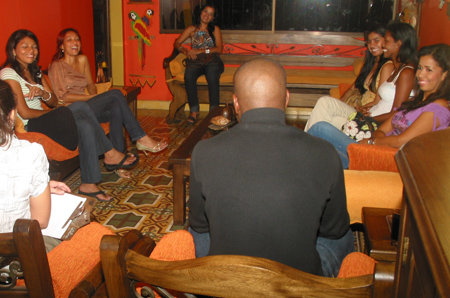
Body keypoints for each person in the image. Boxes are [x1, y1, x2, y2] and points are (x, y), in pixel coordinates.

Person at [188, 58, 354, 277]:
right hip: (299, 283)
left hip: (229, 279)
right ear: (286, 99)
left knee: (194, 231)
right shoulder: (325, 152)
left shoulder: (203, 151)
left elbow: (200, 225)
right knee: (347, 234)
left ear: (236, 103)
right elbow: (334, 230)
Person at [1, 29, 137, 202]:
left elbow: (53, 100)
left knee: (85, 125)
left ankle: (89, 183)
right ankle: (112, 151)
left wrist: (43, 94)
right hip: (32, 124)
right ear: (13, 50)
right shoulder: (8, 73)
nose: (31, 50)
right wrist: (55, 113)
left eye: (34, 47)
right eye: (25, 46)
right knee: (82, 106)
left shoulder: (36, 72)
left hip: (49, 119)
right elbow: (24, 112)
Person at [308, 43, 450, 168]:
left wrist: (372, 143)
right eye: (419, 68)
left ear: (444, 74)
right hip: (378, 150)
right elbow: (382, 129)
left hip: (392, 159)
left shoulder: (438, 107)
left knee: (321, 129)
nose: (420, 74)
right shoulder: (414, 102)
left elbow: (402, 141)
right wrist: (374, 141)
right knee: (324, 153)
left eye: (429, 70)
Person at [48, 28, 167, 155]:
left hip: (86, 106)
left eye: (77, 39)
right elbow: (63, 96)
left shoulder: (82, 60)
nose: (75, 42)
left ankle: (119, 159)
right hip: (71, 111)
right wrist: (93, 98)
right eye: (69, 40)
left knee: (115, 107)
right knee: (115, 94)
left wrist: (94, 97)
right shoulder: (56, 65)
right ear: (61, 45)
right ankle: (141, 137)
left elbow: (90, 84)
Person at [304, 22, 417, 132]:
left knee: (324, 118)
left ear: (399, 44)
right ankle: (307, 144)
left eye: (386, 41)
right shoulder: (397, 70)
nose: (383, 45)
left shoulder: (405, 72)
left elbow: (396, 114)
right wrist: (364, 110)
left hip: (373, 124)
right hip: (369, 116)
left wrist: (365, 119)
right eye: (369, 42)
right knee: (325, 107)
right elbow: (374, 97)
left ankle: (305, 144)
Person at [0, 79, 71, 252]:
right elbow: (40, 221)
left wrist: (37, 186)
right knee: (83, 230)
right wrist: (38, 189)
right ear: (12, 114)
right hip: (14, 255)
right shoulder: (30, 153)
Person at [173, 3, 224, 124]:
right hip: (196, 62)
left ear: (212, 18)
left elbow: (219, 49)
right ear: (200, 13)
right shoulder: (191, 29)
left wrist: (201, 50)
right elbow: (177, 43)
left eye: (210, 14)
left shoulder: (215, 29)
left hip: (212, 61)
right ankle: (194, 111)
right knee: (189, 75)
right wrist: (186, 51)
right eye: (205, 11)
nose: (207, 15)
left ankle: (213, 112)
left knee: (212, 76)